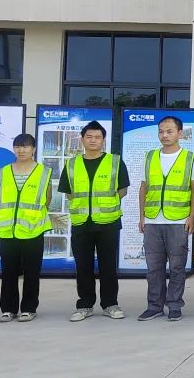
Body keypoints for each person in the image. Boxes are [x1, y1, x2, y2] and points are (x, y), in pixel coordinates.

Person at [63, 121, 129, 322]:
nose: (93, 140)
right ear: (82, 139)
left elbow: (122, 190)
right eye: (89, 137)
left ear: (103, 140)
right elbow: (68, 193)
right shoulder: (71, 164)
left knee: (108, 266)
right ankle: (85, 305)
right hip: (81, 222)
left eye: (97, 137)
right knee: (83, 266)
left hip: (108, 222)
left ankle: (110, 304)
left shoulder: (115, 162)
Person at [137, 116, 194, 322]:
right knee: (153, 268)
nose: (164, 135)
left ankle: (174, 305)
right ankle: (154, 306)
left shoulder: (190, 158)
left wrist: (192, 217)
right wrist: (142, 216)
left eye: (169, 131)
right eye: (161, 131)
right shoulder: (149, 157)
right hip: (153, 220)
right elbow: (143, 188)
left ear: (180, 133)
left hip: (178, 220)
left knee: (177, 267)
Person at [0, 133, 53, 323]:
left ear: (33, 149)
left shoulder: (44, 172)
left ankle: (29, 308)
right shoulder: (1, 172)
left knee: (32, 272)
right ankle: (8, 309)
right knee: (8, 272)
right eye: (18, 146)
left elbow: (48, 198)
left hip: (33, 230)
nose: (21, 150)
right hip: (6, 230)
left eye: (26, 146)